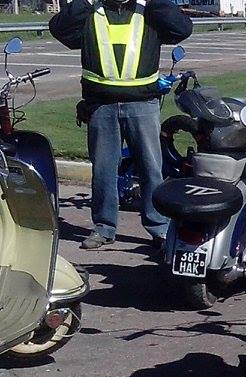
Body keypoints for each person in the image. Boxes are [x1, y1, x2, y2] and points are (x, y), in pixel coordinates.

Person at [49, 0, 192, 251]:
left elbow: (182, 28)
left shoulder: (148, 10)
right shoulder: (92, 11)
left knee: (151, 169)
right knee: (103, 170)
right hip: (101, 106)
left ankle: (159, 227)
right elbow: (59, 29)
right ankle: (104, 227)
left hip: (143, 104)